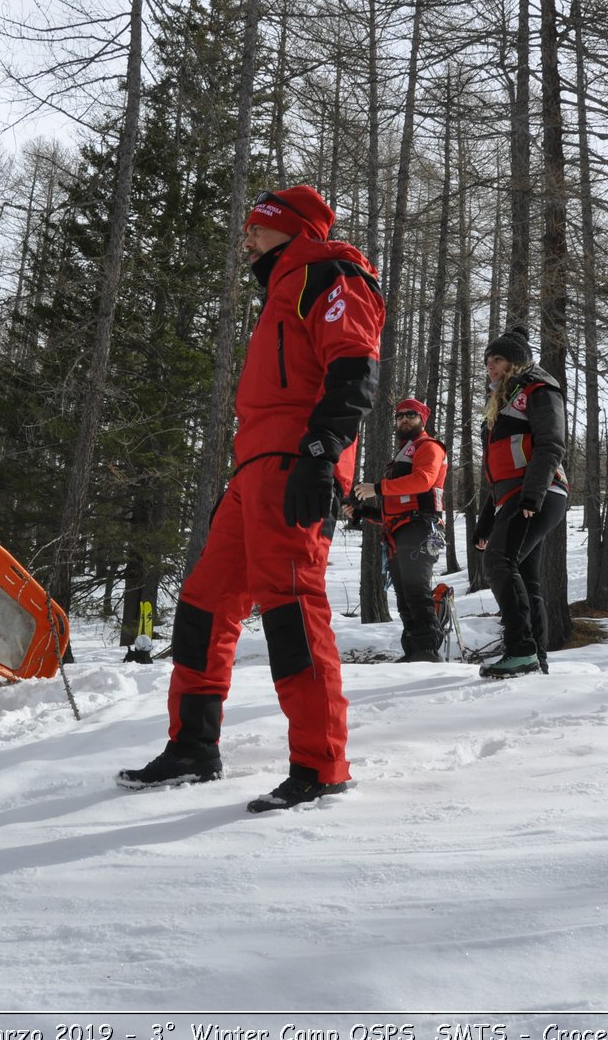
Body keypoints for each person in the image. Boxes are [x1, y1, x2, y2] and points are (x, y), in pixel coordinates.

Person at [118, 185, 383, 812]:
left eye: (257, 227)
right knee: (205, 603)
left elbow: (354, 366)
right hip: (256, 467)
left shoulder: (330, 274)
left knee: (292, 605)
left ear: (291, 230)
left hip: (296, 461)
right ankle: (193, 746)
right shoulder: (283, 288)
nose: (247, 238)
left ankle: (322, 766)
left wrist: (321, 452)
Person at [472, 325, 568, 678]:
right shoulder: (503, 400)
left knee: (499, 561)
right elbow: (499, 468)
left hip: (541, 492)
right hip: (512, 496)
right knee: (525, 577)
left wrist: (533, 494)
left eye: (496, 360)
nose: (490, 367)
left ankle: (521, 649)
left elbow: (551, 444)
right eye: (487, 362)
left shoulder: (539, 388)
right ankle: (535, 657)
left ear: (515, 361)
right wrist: (486, 518)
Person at [346, 397, 448, 662]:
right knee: (404, 595)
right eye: (400, 415)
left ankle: (427, 650)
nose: (404, 419)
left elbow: (423, 481)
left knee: (416, 590)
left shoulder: (429, 446)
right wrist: (362, 512)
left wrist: (377, 488)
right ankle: (414, 651)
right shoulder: (402, 455)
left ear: (422, 419)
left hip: (422, 528)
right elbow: (393, 509)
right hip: (398, 531)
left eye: (410, 415)